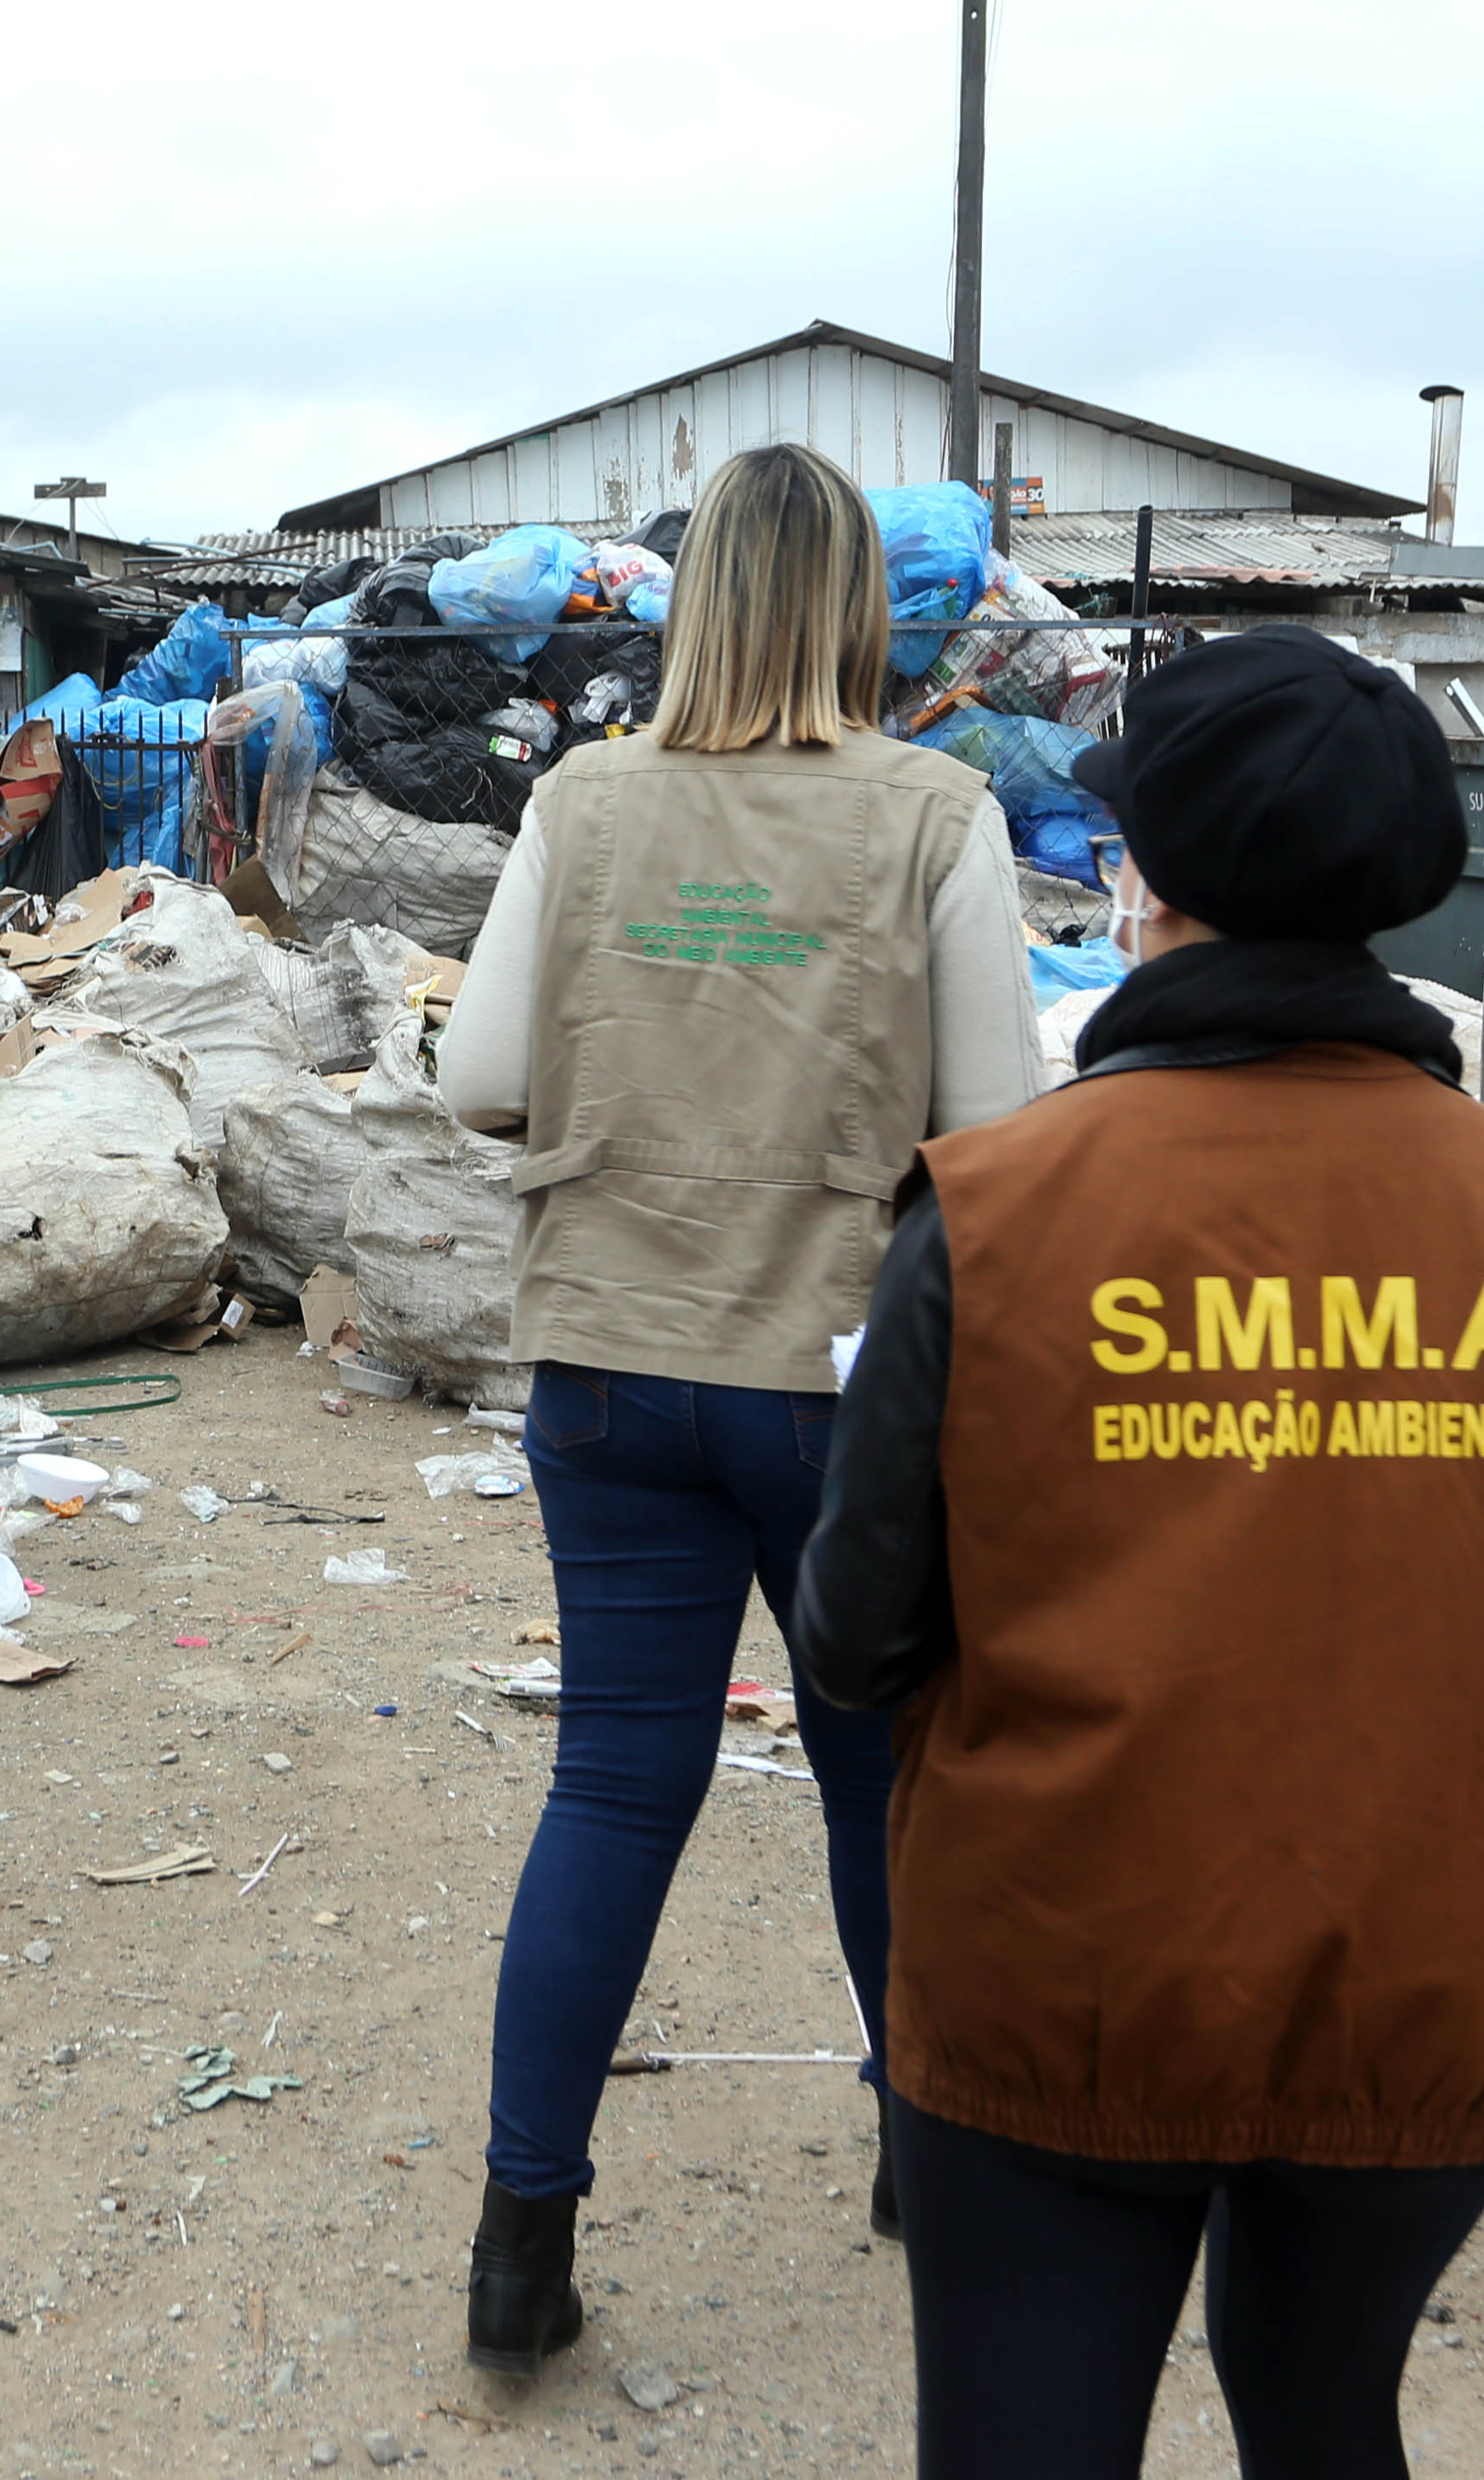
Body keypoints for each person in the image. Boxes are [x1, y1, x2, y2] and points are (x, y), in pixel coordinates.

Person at [791, 624, 1484, 2480]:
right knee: (1329, 2416)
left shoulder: (1001, 1215)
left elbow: (851, 1642)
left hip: (1067, 1975)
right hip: (1431, 1995)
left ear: (1154, 881)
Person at [430, 440, 1041, 2373]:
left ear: (692, 605)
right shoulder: (937, 813)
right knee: (879, 1786)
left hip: (610, 1367)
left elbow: (480, 1079)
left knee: (614, 1785)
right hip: (837, 1388)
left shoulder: (586, 802)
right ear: (868, 608)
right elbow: (1002, 1138)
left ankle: (524, 2237)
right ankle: (916, 2162)